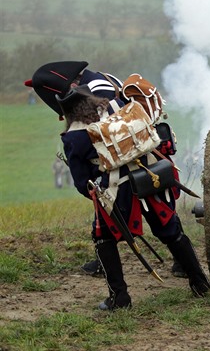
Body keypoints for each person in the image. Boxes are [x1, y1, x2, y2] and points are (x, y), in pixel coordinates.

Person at [53, 84, 210, 310]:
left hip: (117, 189)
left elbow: (83, 183)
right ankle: (199, 282)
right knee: (169, 229)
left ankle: (120, 298)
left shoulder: (73, 137)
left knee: (103, 238)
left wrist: (100, 197)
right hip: (152, 174)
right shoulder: (119, 106)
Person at [25, 61, 187, 279]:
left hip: (136, 152)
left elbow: (105, 133)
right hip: (120, 156)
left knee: (159, 213)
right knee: (114, 210)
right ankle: (107, 259)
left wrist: (79, 156)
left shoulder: (100, 89)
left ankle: (183, 262)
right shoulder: (93, 81)